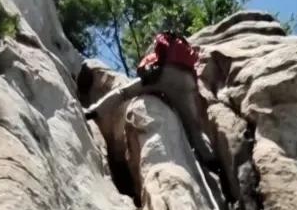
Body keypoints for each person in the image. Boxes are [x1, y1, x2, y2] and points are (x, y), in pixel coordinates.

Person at [83, 28, 216, 167]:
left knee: (123, 93)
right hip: (187, 81)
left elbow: (144, 69)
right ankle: (210, 160)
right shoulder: (184, 47)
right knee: (194, 127)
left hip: (164, 75)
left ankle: (94, 111)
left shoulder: (160, 44)